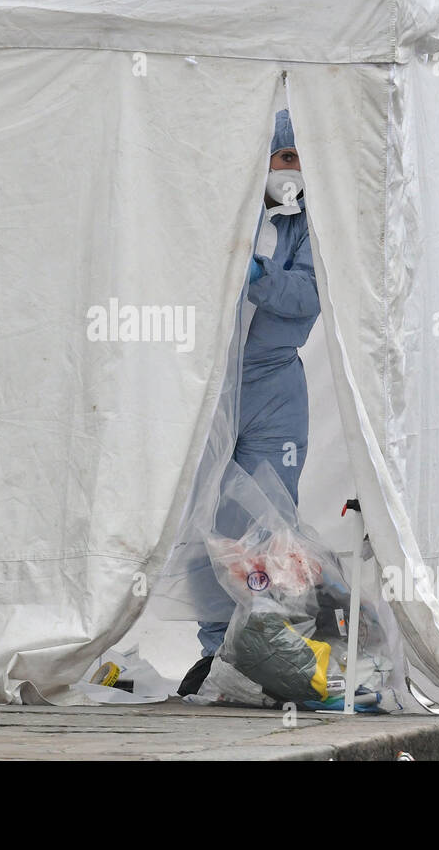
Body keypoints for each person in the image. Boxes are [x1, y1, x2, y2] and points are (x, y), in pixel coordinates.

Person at [180, 109, 322, 695]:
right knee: (207, 524)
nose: (292, 172)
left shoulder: (309, 226)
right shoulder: (224, 211)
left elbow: (308, 295)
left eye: (300, 161)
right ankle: (217, 649)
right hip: (209, 385)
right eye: (284, 158)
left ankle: (264, 643)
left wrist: (254, 274)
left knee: (269, 521)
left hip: (274, 386)